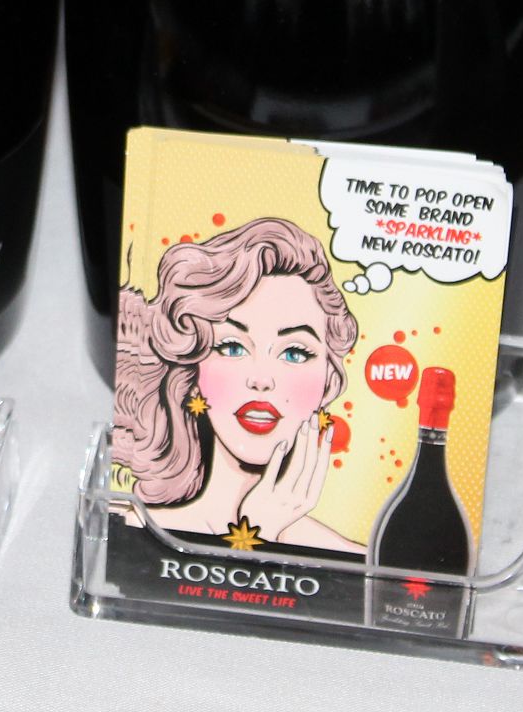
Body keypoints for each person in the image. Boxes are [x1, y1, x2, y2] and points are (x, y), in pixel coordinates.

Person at [112, 216, 362, 551]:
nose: (262, 380)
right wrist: (258, 535)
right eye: (232, 348)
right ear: (192, 368)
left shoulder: (355, 558)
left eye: (294, 353)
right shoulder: (126, 528)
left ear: (328, 381)